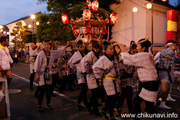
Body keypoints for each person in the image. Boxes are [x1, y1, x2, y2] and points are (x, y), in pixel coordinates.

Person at [115, 38, 159, 120]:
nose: (136, 47)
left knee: (148, 107)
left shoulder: (142, 55)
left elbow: (129, 59)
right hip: (150, 83)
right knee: (138, 102)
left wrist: (119, 49)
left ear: (143, 48)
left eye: (138, 46)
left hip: (149, 83)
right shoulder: (147, 54)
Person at [93, 41, 120, 120]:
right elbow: (95, 67)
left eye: (113, 49)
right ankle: (110, 114)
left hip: (115, 80)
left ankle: (105, 110)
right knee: (112, 97)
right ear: (105, 50)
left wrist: (116, 45)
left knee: (114, 97)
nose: (112, 50)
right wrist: (100, 76)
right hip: (108, 80)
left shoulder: (114, 56)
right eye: (110, 49)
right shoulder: (103, 58)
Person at [80, 40, 102, 117]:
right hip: (91, 75)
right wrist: (89, 70)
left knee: (98, 93)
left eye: (98, 47)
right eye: (96, 47)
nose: (97, 49)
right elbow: (86, 64)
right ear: (93, 47)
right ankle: (96, 111)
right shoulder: (90, 54)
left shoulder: (100, 53)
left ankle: (89, 105)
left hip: (98, 76)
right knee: (95, 94)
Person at [157, 40, 180, 109]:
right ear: (169, 45)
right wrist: (172, 48)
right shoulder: (164, 51)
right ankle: (152, 101)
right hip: (163, 71)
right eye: (174, 45)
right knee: (164, 89)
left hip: (169, 72)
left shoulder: (172, 53)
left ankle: (162, 103)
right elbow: (167, 54)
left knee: (167, 89)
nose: (175, 47)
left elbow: (177, 59)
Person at [68, 40, 89, 111]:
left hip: (86, 73)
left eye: (83, 46)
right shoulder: (77, 54)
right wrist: (76, 67)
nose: (82, 48)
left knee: (85, 89)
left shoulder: (86, 53)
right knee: (84, 88)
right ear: (78, 47)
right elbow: (70, 62)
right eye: (81, 47)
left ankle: (83, 103)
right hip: (80, 73)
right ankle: (81, 103)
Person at [117, 44, 137, 113]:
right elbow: (121, 67)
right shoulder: (124, 57)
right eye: (134, 51)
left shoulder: (131, 57)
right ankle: (119, 108)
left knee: (128, 95)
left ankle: (129, 108)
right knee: (124, 95)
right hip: (124, 78)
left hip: (129, 79)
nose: (135, 53)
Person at [0, 36, 13, 102]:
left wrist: (11, 62)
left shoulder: (6, 48)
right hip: (1, 67)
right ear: (3, 41)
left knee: (10, 77)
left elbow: (8, 56)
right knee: (1, 80)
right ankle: (1, 92)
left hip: (7, 67)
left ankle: (5, 89)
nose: (8, 42)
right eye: (7, 41)